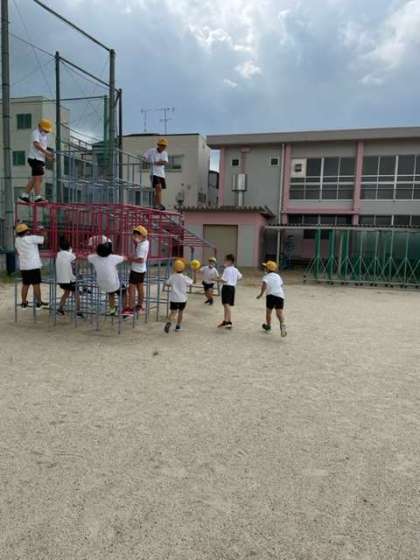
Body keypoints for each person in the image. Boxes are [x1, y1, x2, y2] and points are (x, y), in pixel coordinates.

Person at [87, 243, 130, 317]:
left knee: (111, 292)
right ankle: (125, 310)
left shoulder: (94, 257)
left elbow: (87, 257)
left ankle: (112, 310)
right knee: (123, 292)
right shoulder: (113, 257)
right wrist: (122, 255)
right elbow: (125, 258)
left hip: (102, 284)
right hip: (113, 283)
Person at [19, 119, 54, 203]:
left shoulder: (44, 136)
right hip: (35, 159)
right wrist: (47, 152)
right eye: (45, 130)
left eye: (47, 130)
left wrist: (47, 156)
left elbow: (42, 148)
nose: (46, 132)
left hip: (39, 159)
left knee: (35, 178)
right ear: (40, 126)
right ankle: (37, 198)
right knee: (38, 178)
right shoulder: (36, 133)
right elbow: (36, 144)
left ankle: (24, 195)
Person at [15, 223, 48, 308]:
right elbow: (44, 239)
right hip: (33, 266)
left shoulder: (17, 241)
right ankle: (39, 302)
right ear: (26, 231)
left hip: (24, 266)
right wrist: (43, 231)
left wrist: (37, 233)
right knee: (36, 284)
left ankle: (23, 302)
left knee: (25, 284)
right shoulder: (32, 238)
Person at [256, 261, 287, 337]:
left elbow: (264, 286)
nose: (264, 269)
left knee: (268, 312)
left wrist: (261, 294)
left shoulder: (266, 277)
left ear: (267, 269)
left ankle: (268, 326)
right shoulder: (278, 276)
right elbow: (281, 285)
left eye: (265, 267)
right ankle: (282, 324)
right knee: (279, 313)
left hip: (271, 296)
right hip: (280, 295)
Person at [55, 238, 84, 318]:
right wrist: (78, 275)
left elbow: (65, 255)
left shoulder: (58, 254)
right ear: (69, 247)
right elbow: (76, 266)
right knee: (76, 294)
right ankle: (78, 311)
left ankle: (60, 309)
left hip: (61, 280)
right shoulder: (71, 255)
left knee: (66, 293)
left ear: (59, 247)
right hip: (70, 280)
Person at [164, 259, 193, 333]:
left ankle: (169, 322)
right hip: (182, 299)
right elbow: (192, 282)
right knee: (180, 312)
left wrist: (171, 284)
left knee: (173, 312)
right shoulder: (184, 277)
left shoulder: (172, 276)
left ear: (174, 268)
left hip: (174, 298)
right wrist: (194, 272)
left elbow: (167, 284)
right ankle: (178, 326)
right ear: (183, 268)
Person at [128, 225, 149, 313]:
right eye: (134, 235)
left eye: (136, 235)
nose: (134, 237)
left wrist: (130, 259)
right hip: (142, 269)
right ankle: (140, 306)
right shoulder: (146, 242)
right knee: (140, 287)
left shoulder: (142, 247)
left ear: (142, 236)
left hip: (136, 269)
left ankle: (131, 308)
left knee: (131, 288)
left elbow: (141, 260)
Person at [217, 253, 242, 329]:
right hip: (232, 288)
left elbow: (224, 280)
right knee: (226, 305)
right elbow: (240, 277)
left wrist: (215, 279)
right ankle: (225, 320)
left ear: (230, 261)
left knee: (227, 305)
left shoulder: (227, 269)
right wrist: (233, 280)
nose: (224, 261)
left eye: (226, 260)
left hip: (227, 288)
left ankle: (229, 322)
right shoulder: (235, 269)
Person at [143, 138, 169, 210]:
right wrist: (148, 161)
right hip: (153, 173)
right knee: (158, 187)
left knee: (159, 190)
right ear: (158, 145)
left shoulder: (165, 153)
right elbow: (144, 157)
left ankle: (155, 204)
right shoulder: (151, 150)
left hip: (161, 174)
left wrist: (157, 162)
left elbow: (164, 162)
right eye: (162, 145)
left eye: (165, 146)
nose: (163, 147)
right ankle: (159, 204)